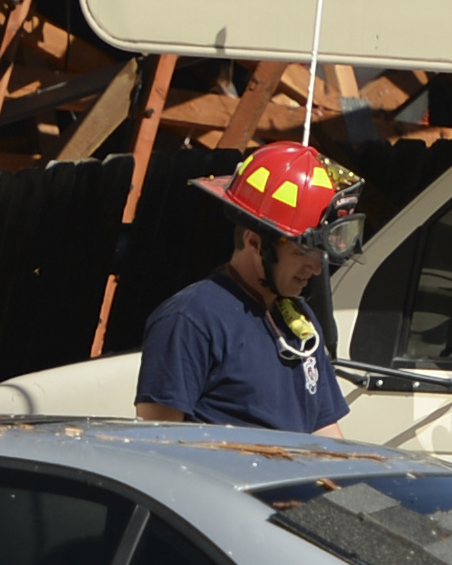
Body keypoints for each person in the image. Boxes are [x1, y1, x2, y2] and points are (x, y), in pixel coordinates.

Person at [135, 140, 366, 435]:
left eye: (320, 255)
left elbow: (325, 435)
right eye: (302, 252)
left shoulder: (299, 320)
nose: (317, 268)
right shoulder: (190, 320)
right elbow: (156, 441)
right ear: (255, 243)